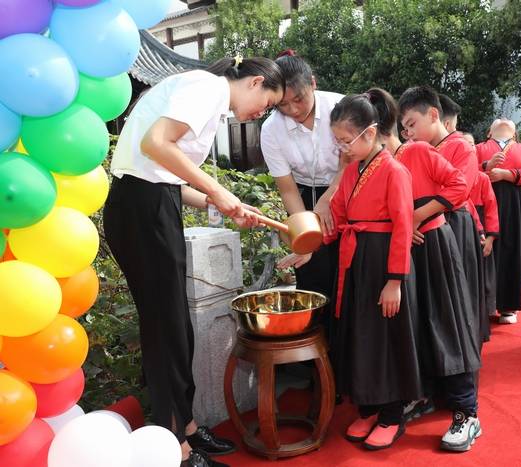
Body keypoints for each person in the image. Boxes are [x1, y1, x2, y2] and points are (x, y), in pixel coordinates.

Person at [104, 56, 285, 467]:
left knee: (176, 325)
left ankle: (184, 427)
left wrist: (216, 201)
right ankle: (176, 450)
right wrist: (219, 191)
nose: (262, 113)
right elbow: (156, 144)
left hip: (154, 201)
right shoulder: (205, 87)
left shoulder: (208, 95)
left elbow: (164, 174)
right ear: (255, 82)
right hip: (141, 207)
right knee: (165, 329)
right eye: (267, 103)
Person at [365, 88, 483, 452]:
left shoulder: (416, 152)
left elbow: (462, 185)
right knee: (417, 330)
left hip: (434, 248)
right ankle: (421, 394)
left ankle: (468, 413)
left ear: (374, 131)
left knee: (447, 326)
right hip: (408, 253)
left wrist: (414, 216)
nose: (410, 130)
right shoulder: (377, 164)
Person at [327, 94, 423, 451]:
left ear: (370, 133)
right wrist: (306, 246)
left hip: (383, 261)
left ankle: (391, 415)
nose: (341, 147)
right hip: (356, 260)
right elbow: (338, 217)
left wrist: (395, 281)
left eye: (346, 140)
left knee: (385, 338)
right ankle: (367, 406)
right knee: (360, 334)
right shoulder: (352, 171)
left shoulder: (395, 170)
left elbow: (402, 227)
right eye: (336, 140)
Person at [398, 86, 487, 343]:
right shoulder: (416, 149)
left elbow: (460, 191)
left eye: (413, 124)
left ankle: (464, 353)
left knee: (458, 294)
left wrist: (416, 216)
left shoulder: (461, 146)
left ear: (434, 114)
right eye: (405, 128)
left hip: (454, 224)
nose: (410, 133)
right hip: (427, 228)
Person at [261, 51, 345, 318]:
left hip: (347, 190)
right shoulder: (271, 130)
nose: (293, 110)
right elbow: (287, 188)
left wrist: (329, 199)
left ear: (313, 83)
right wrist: (305, 234)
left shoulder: (340, 108)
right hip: (302, 199)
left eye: (299, 99)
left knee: (348, 271)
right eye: (283, 105)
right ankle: (317, 349)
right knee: (312, 270)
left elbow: (350, 163)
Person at [476, 119, 521, 324]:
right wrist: (486, 167)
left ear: (515, 133)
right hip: (485, 201)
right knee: (485, 250)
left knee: (513, 249)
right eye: (498, 120)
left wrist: (507, 174)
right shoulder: (479, 148)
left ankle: (509, 306)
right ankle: (485, 303)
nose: (503, 119)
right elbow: (467, 170)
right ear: (489, 132)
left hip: (514, 204)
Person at [470, 171, 500, 317]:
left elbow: (491, 208)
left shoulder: (482, 178)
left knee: (484, 272)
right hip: (459, 224)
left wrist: (491, 237)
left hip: (481, 227)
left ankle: (486, 310)